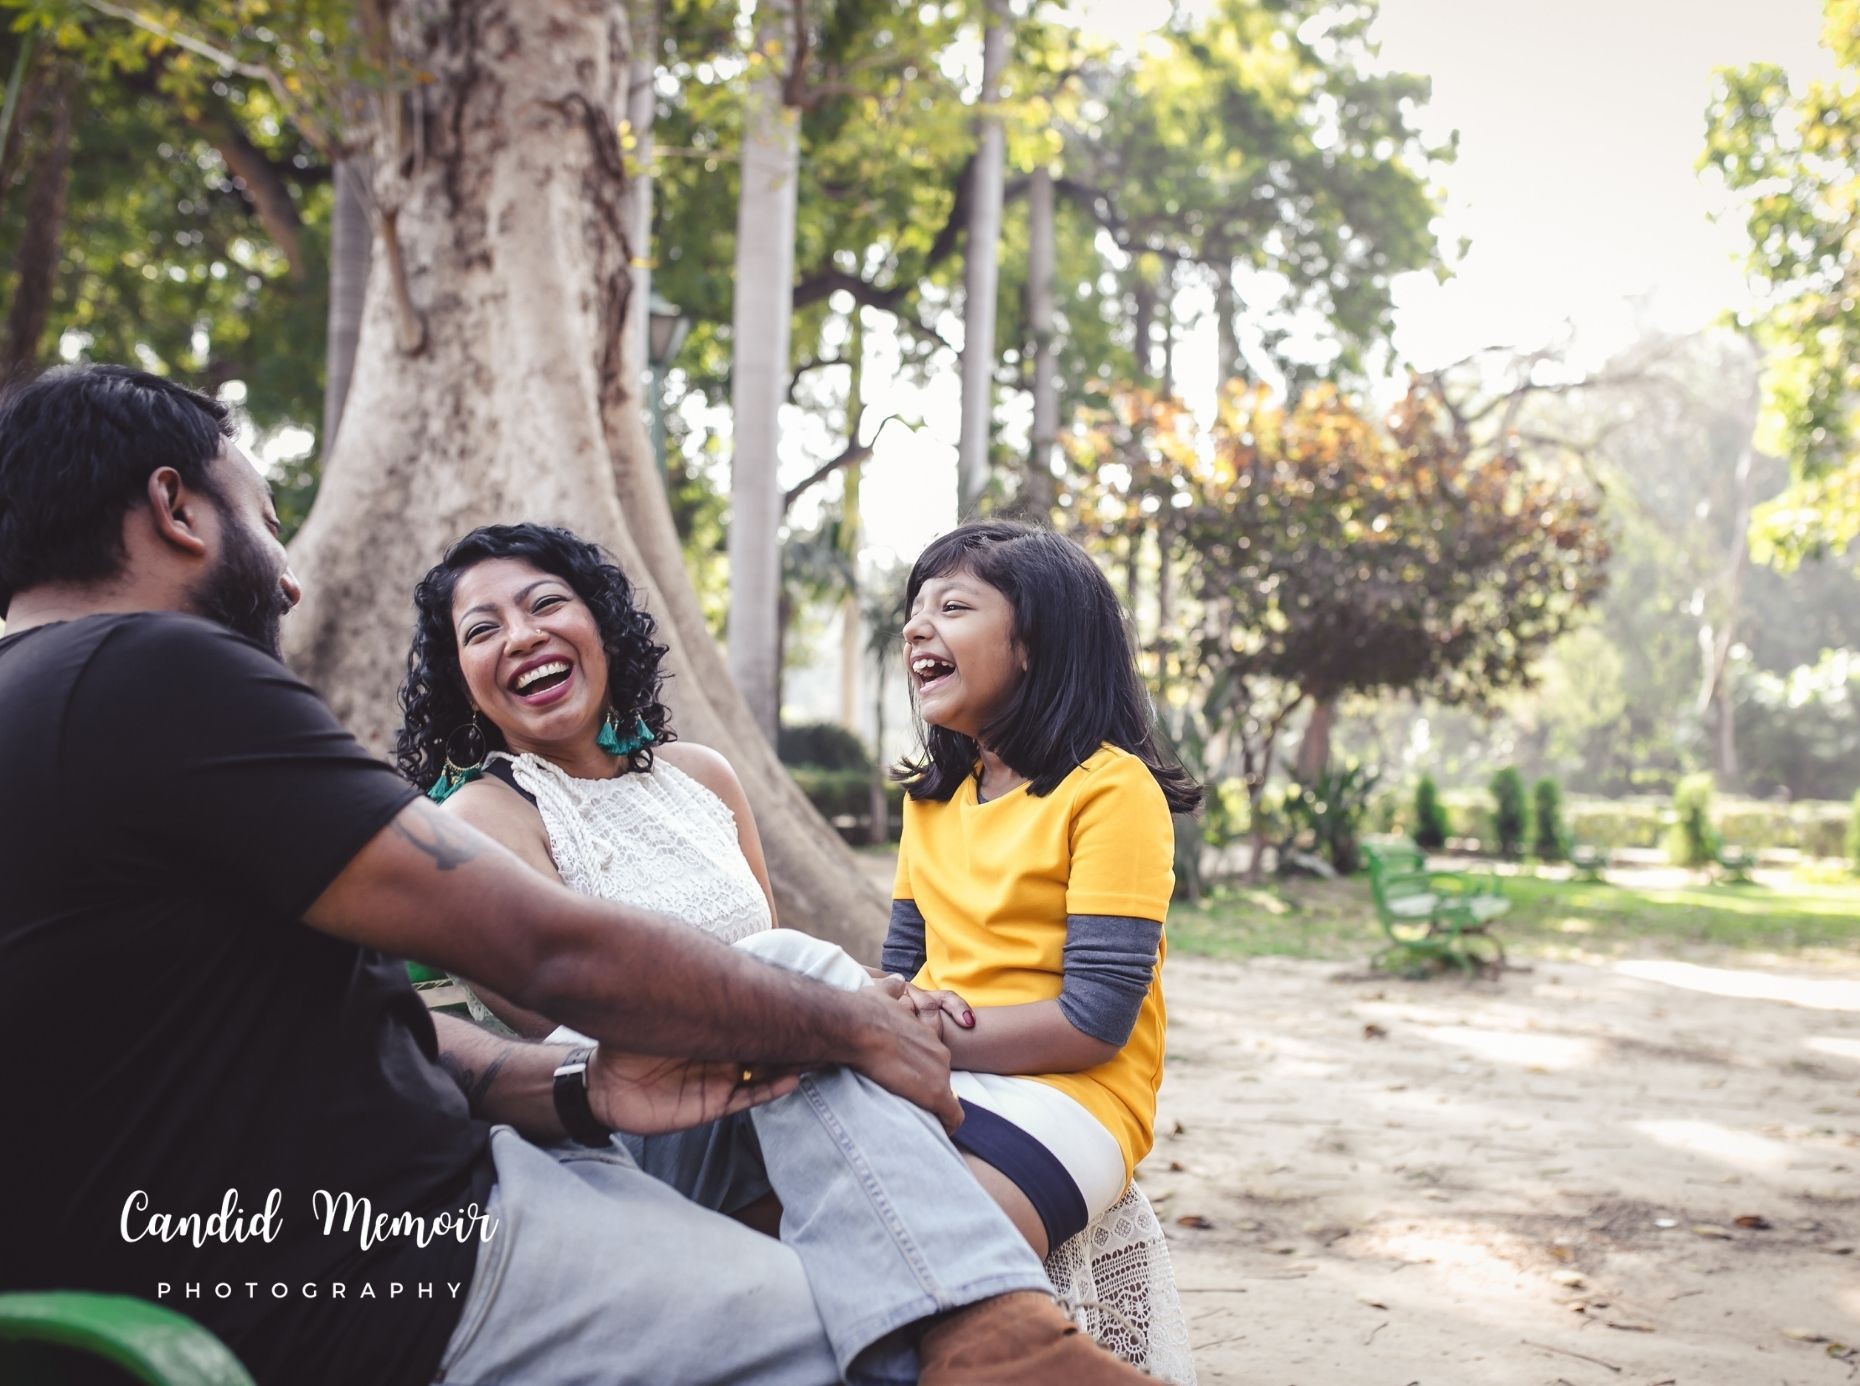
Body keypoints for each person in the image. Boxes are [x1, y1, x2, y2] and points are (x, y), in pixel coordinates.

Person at [0, 365, 1157, 1386]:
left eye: (548, 604)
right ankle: (998, 1343)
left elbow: (367, 1022)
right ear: (175, 509)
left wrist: (568, 1090)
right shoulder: (150, 667)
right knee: (866, 1323)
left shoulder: (65, 702)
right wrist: (849, 1020)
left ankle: (1000, 1339)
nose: (292, 582)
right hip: (381, 1258)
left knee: (811, 1054)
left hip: (430, 1191)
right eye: (265, 516)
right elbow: (544, 953)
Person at [884, 520, 1202, 1259]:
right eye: (916, 607)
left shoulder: (1110, 790)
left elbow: (1093, 1021)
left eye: (953, 607)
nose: (914, 627)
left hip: (1072, 1093)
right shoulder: (931, 799)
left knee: (940, 1242)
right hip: (934, 1065)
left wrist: (909, 1035)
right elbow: (901, 968)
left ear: (1034, 645)